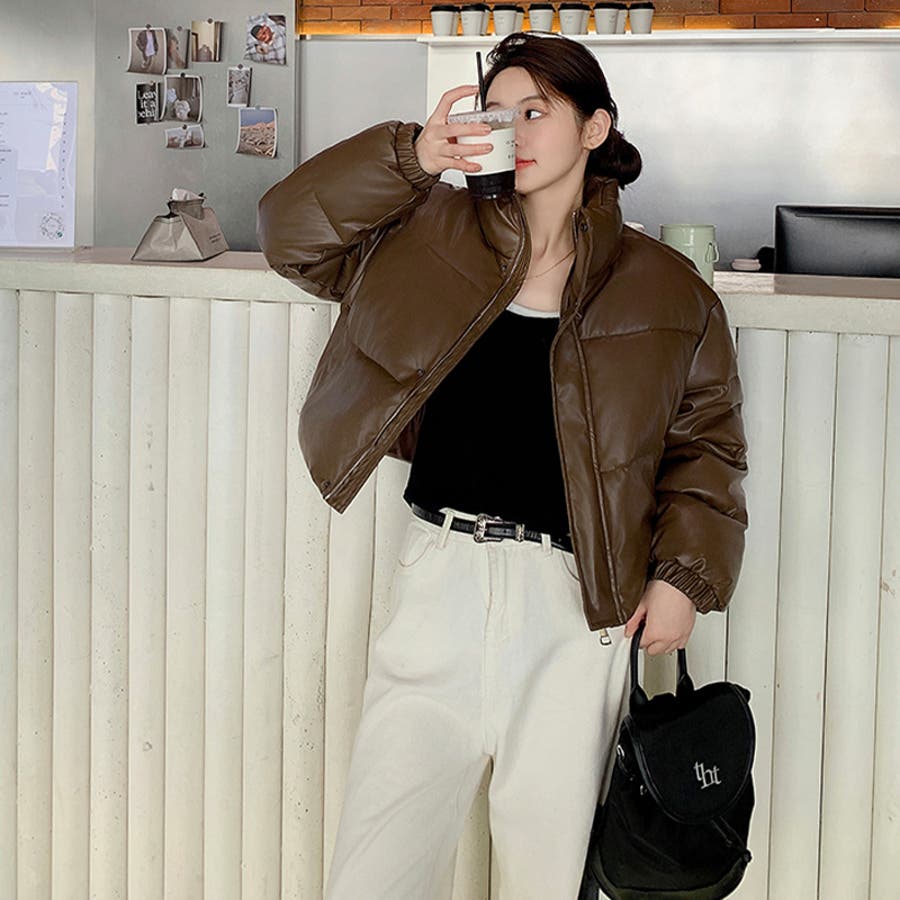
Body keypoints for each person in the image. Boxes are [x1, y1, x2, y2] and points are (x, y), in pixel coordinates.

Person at [257, 32, 747, 900]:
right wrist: (412, 157)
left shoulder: (669, 289)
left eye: (536, 111)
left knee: (544, 875)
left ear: (594, 128)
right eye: (497, 112)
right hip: (437, 578)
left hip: (576, 607)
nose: (512, 130)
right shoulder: (426, 233)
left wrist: (685, 577)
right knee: (376, 869)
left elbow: (706, 443)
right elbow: (289, 234)